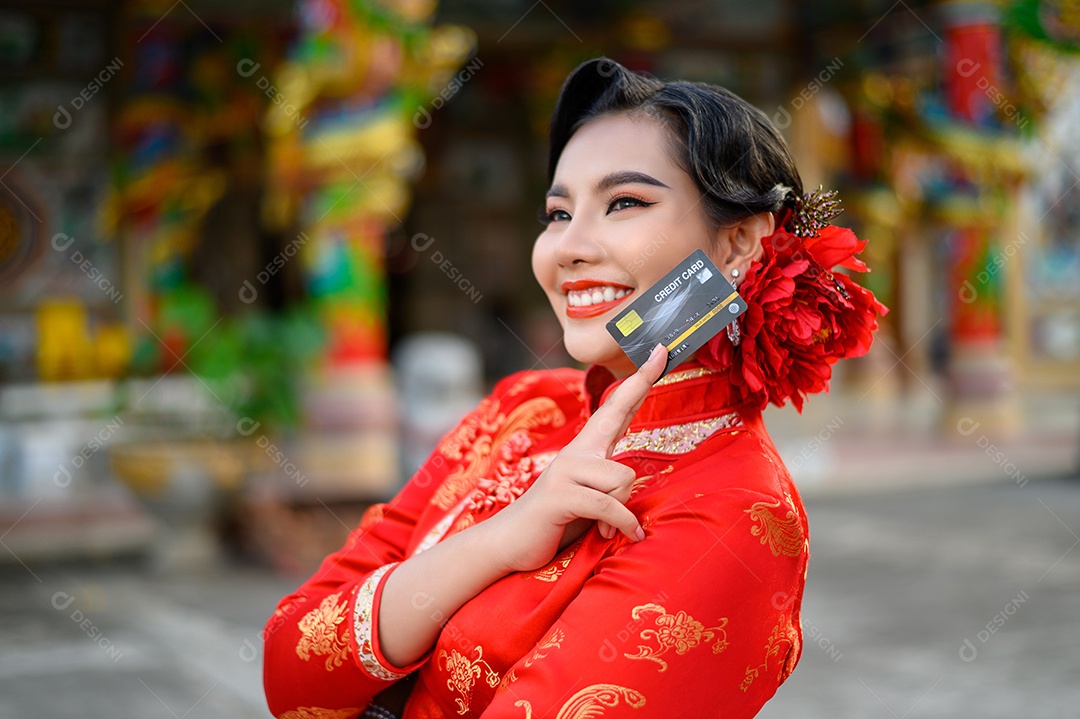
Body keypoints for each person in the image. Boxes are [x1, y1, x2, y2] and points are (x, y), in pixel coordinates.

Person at [262, 57, 886, 719]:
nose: (569, 247)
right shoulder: (524, 406)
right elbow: (287, 667)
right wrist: (504, 537)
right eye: (557, 214)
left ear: (737, 244)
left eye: (625, 203)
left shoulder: (735, 510)